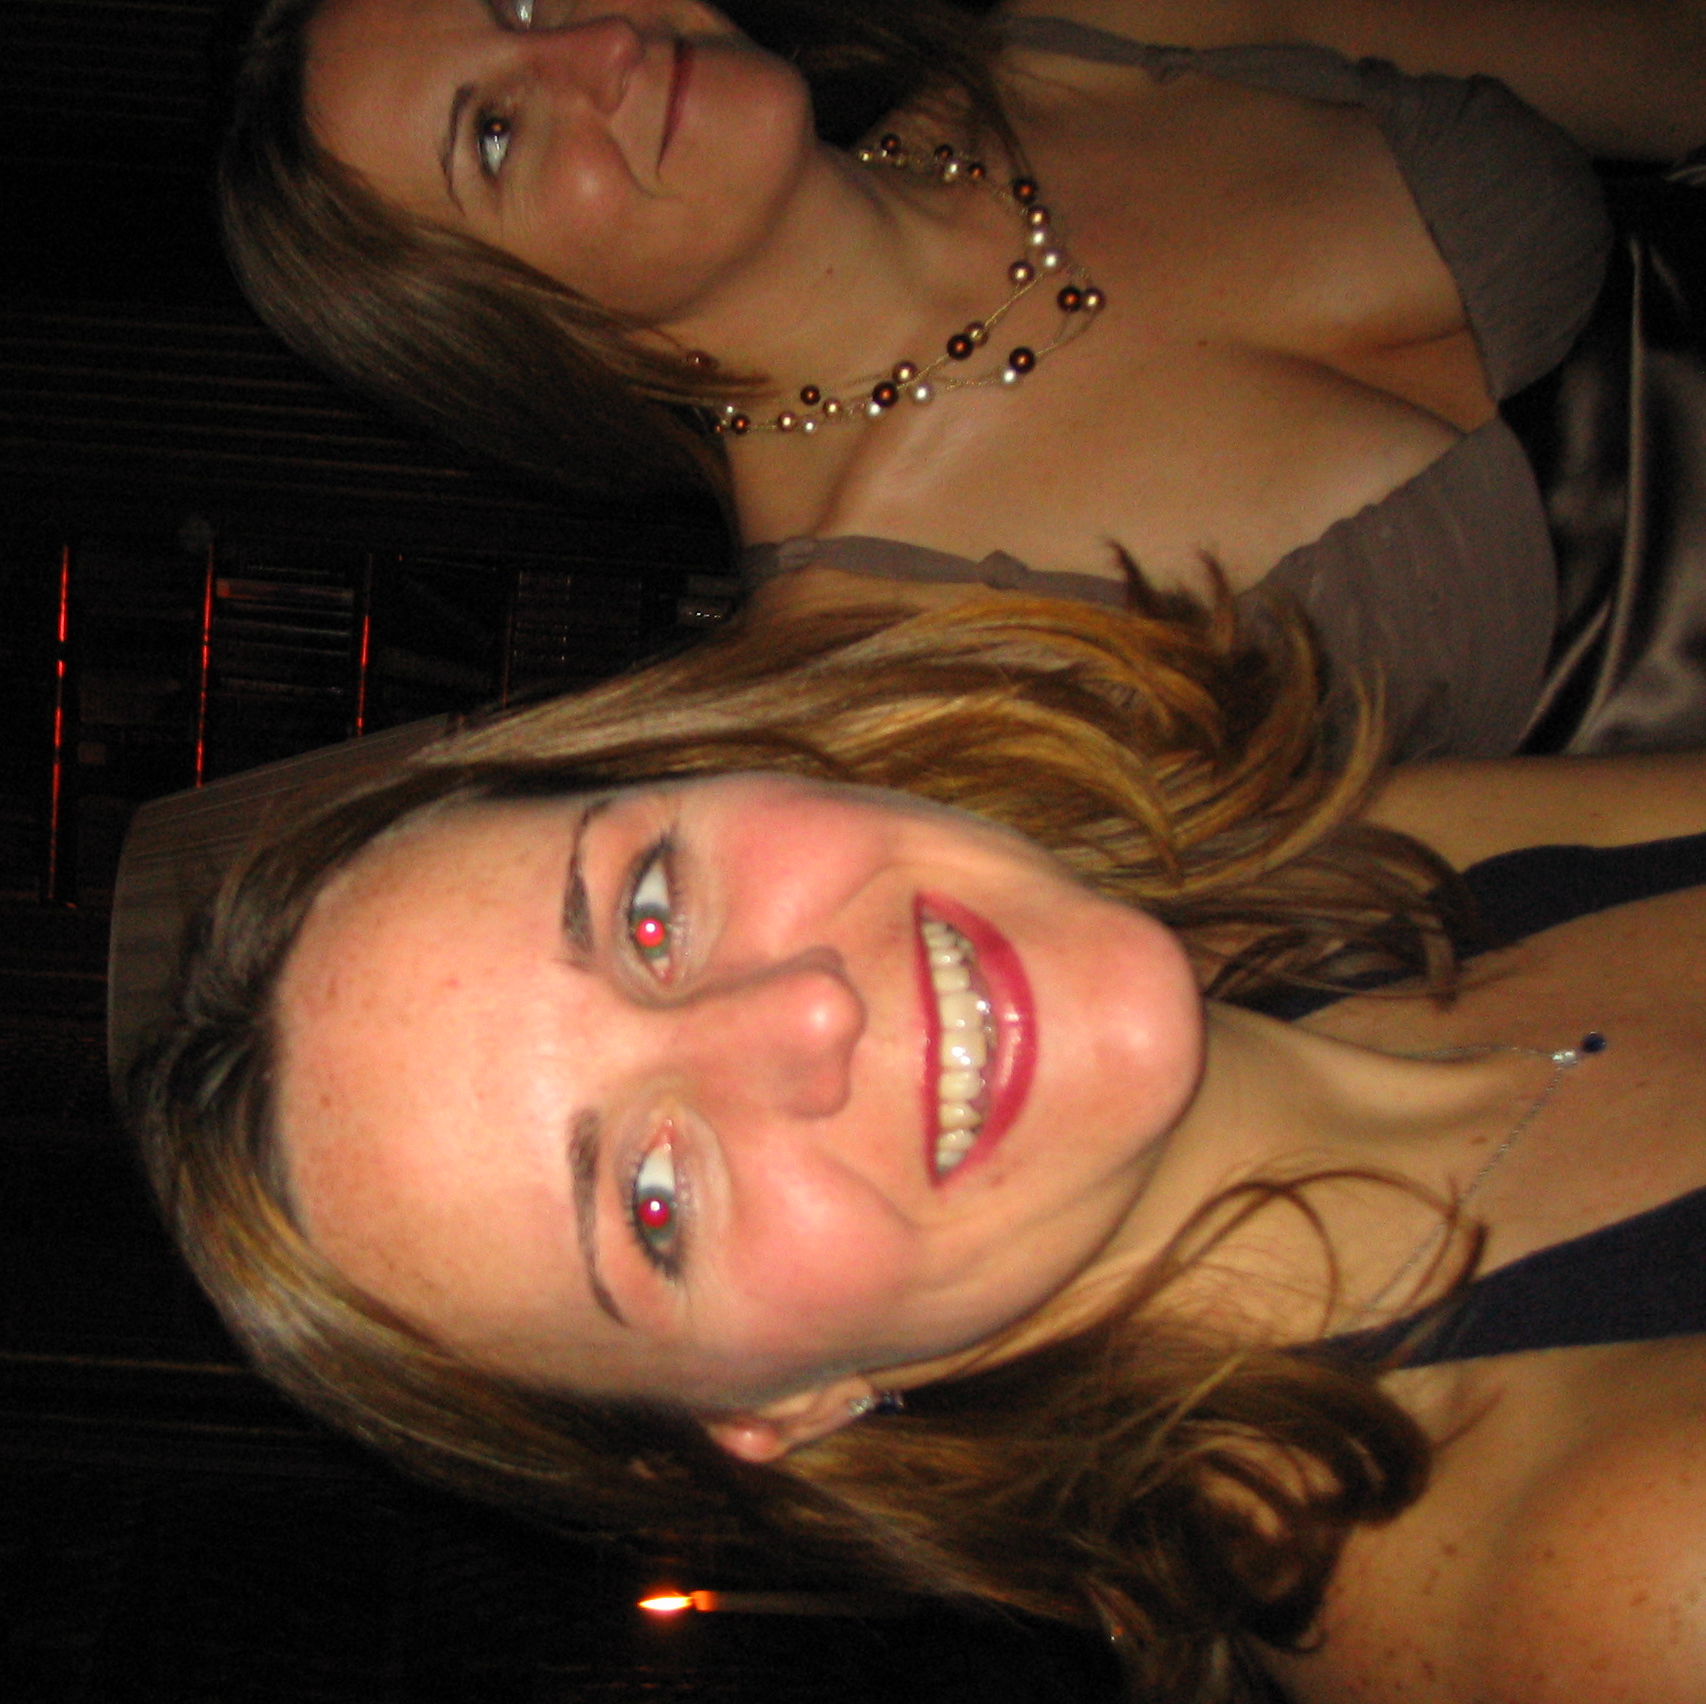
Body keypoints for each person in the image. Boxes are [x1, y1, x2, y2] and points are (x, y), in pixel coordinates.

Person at [128, 587, 1706, 1703]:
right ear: (777, 1405)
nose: (806, 1014)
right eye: (656, 1201)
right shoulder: (1603, 1568)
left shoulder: (1337, 880)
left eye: (650, 913)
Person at [216, 0, 1706, 760]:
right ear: (495, 327)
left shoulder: (1089, 36)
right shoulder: (891, 672)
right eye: (494, 133)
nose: (599, 42)